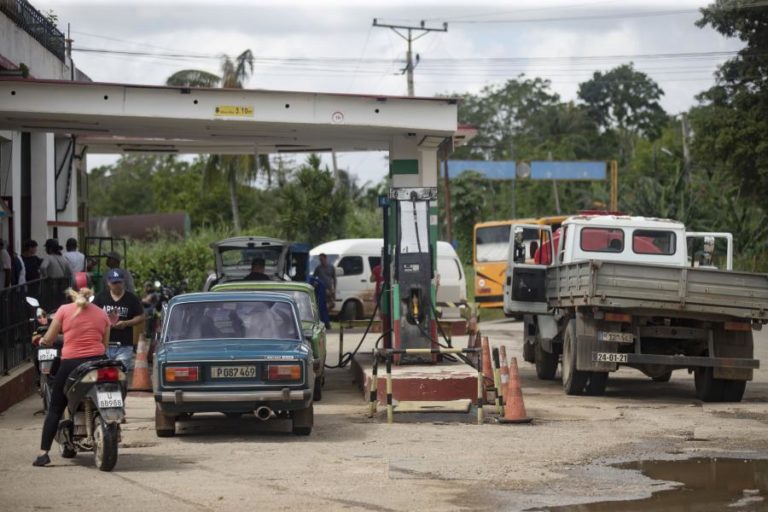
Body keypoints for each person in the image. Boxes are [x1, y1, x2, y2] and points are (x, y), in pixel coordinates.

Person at [31, 287, 110, 467]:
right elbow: (104, 345)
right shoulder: (101, 314)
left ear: (71, 291)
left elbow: (49, 339)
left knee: (56, 407)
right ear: (92, 292)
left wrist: (41, 340)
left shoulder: (64, 310)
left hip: (71, 364)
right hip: (98, 362)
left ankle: (44, 453)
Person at [93, 268, 145, 372]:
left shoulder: (131, 298)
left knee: (120, 374)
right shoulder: (100, 297)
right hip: (104, 344)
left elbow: (141, 316)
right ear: (108, 283)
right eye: (114, 283)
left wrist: (126, 323)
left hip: (124, 345)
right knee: (104, 374)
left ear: (123, 282)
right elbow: (92, 314)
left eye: (119, 282)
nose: (117, 285)